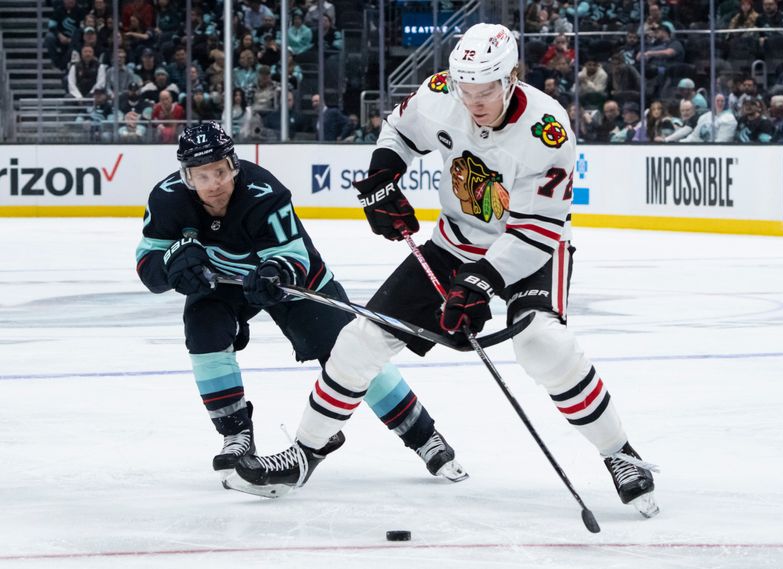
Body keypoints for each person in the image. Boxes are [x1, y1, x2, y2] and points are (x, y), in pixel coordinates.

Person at [234, 23, 659, 518]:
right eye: (466, 90)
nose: (474, 103)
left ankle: (620, 454)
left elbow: (537, 230)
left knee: (544, 345)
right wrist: (382, 177)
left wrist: (482, 282)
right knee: (359, 342)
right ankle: (306, 452)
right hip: (453, 241)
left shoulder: (548, 129)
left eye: (486, 92)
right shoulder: (440, 92)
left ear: (512, 78)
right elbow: (398, 130)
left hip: (529, 250)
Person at [135, 122, 467, 495]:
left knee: (348, 352)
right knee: (203, 330)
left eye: (220, 171)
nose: (214, 183)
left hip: (291, 282)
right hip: (222, 284)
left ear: (234, 165)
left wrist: (276, 272)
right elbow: (149, 268)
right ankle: (236, 436)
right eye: (202, 175)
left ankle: (423, 436)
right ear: (187, 177)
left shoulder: (263, 192)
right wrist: (172, 266)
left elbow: (293, 256)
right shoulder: (166, 199)